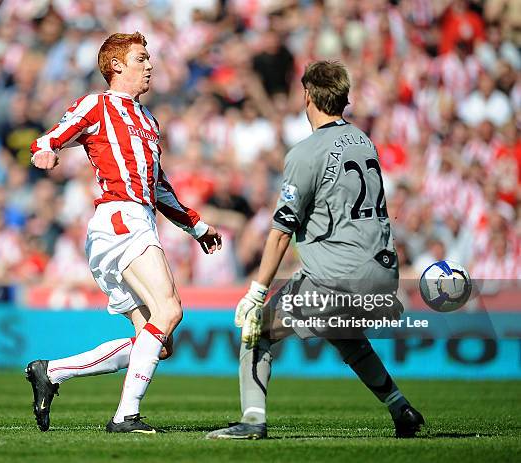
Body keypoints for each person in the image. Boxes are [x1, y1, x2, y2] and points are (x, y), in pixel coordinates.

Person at [207, 61, 424, 440]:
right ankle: (400, 407)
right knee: (345, 335)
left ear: (307, 95)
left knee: (256, 331)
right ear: (344, 97)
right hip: (383, 273)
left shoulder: (306, 153)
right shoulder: (363, 140)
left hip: (335, 275)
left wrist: (256, 292)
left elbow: (279, 232)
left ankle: (252, 421)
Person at [25, 32, 222, 434]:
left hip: (134, 220)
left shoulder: (148, 120)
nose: (149, 65)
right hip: (120, 219)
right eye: (141, 58)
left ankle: (51, 371)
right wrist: (45, 152)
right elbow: (50, 138)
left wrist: (196, 225)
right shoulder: (96, 104)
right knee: (169, 310)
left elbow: (159, 185)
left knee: (157, 343)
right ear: (116, 66)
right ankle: (124, 417)